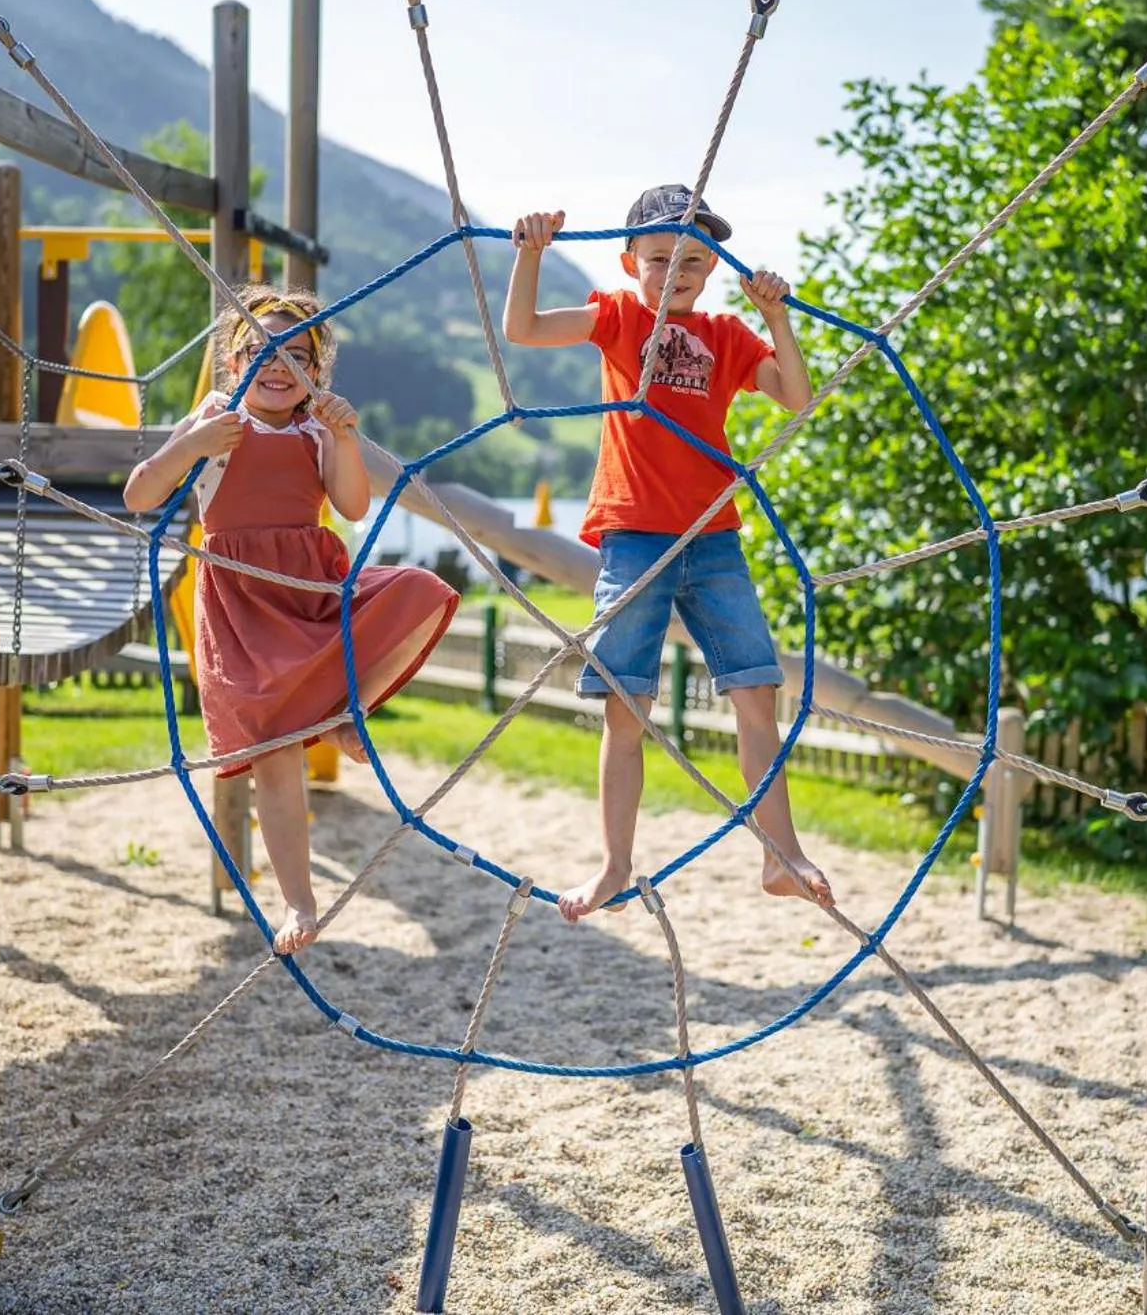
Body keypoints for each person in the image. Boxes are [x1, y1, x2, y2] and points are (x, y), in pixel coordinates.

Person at [501, 184, 835, 922]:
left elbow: (796, 396)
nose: (676, 270)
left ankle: (780, 853)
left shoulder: (725, 334)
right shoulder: (618, 318)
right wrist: (529, 255)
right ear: (629, 263)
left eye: (692, 258)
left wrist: (775, 316)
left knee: (756, 692)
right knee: (628, 709)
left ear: (711, 266)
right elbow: (522, 329)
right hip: (635, 534)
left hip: (713, 537)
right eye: (659, 258)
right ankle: (614, 866)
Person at [124, 285, 459, 955]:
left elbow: (353, 505)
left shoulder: (313, 429)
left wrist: (342, 435)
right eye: (261, 350)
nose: (277, 366)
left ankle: (339, 709)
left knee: (417, 589)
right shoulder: (216, 416)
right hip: (241, 603)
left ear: (317, 370)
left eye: (296, 356)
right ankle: (299, 899)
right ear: (233, 357)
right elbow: (140, 494)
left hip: (308, 589)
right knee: (273, 755)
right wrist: (189, 447)